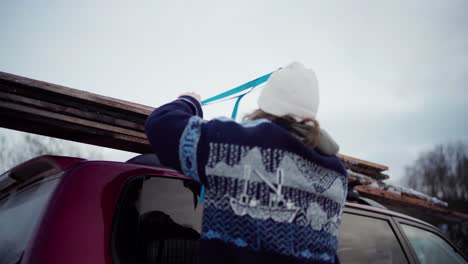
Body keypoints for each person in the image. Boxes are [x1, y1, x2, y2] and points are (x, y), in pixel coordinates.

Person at [144, 62, 348, 264]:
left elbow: (162, 124)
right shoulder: (338, 174)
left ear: (266, 102)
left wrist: (189, 101)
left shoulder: (235, 144)